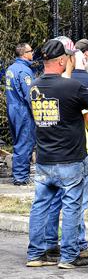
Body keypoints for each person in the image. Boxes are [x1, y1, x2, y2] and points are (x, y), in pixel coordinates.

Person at [25, 39, 88, 269]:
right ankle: (68, 257)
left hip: (45, 158)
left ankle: (35, 254)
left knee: (40, 206)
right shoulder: (72, 86)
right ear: (61, 60)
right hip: (71, 158)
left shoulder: (34, 87)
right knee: (71, 206)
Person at [5, 42, 36, 185]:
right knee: (25, 142)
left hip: (12, 107)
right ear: (24, 54)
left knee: (18, 142)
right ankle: (20, 177)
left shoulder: (11, 68)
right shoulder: (24, 71)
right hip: (22, 110)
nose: (33, 53)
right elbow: (30, 95)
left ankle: (18, 174)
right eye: (31, 51)